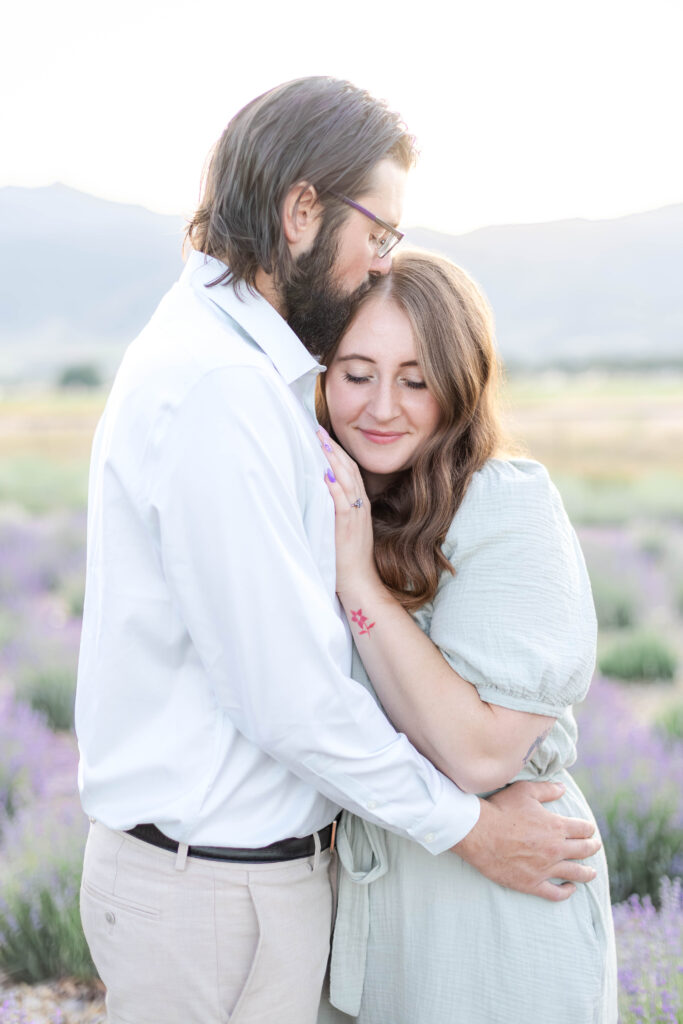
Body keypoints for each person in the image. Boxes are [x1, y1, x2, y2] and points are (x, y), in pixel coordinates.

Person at [75, 78, 601, 1024]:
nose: (380, 263)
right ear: (301, 209)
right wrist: (473, 830)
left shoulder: (247, 373)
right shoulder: (224, 388)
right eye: (379, 234)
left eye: (414, 378)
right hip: (216, 894)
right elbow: (287, 695)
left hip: (275, 891)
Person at [314, 248, 618, 1024]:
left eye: (415, 380)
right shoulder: (331, 499)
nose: (382, 406)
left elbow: (479, 752)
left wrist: (357, 581)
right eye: (356, 373)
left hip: (494, 906)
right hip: (364, 909)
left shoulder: (505, 506)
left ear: (459, 384)